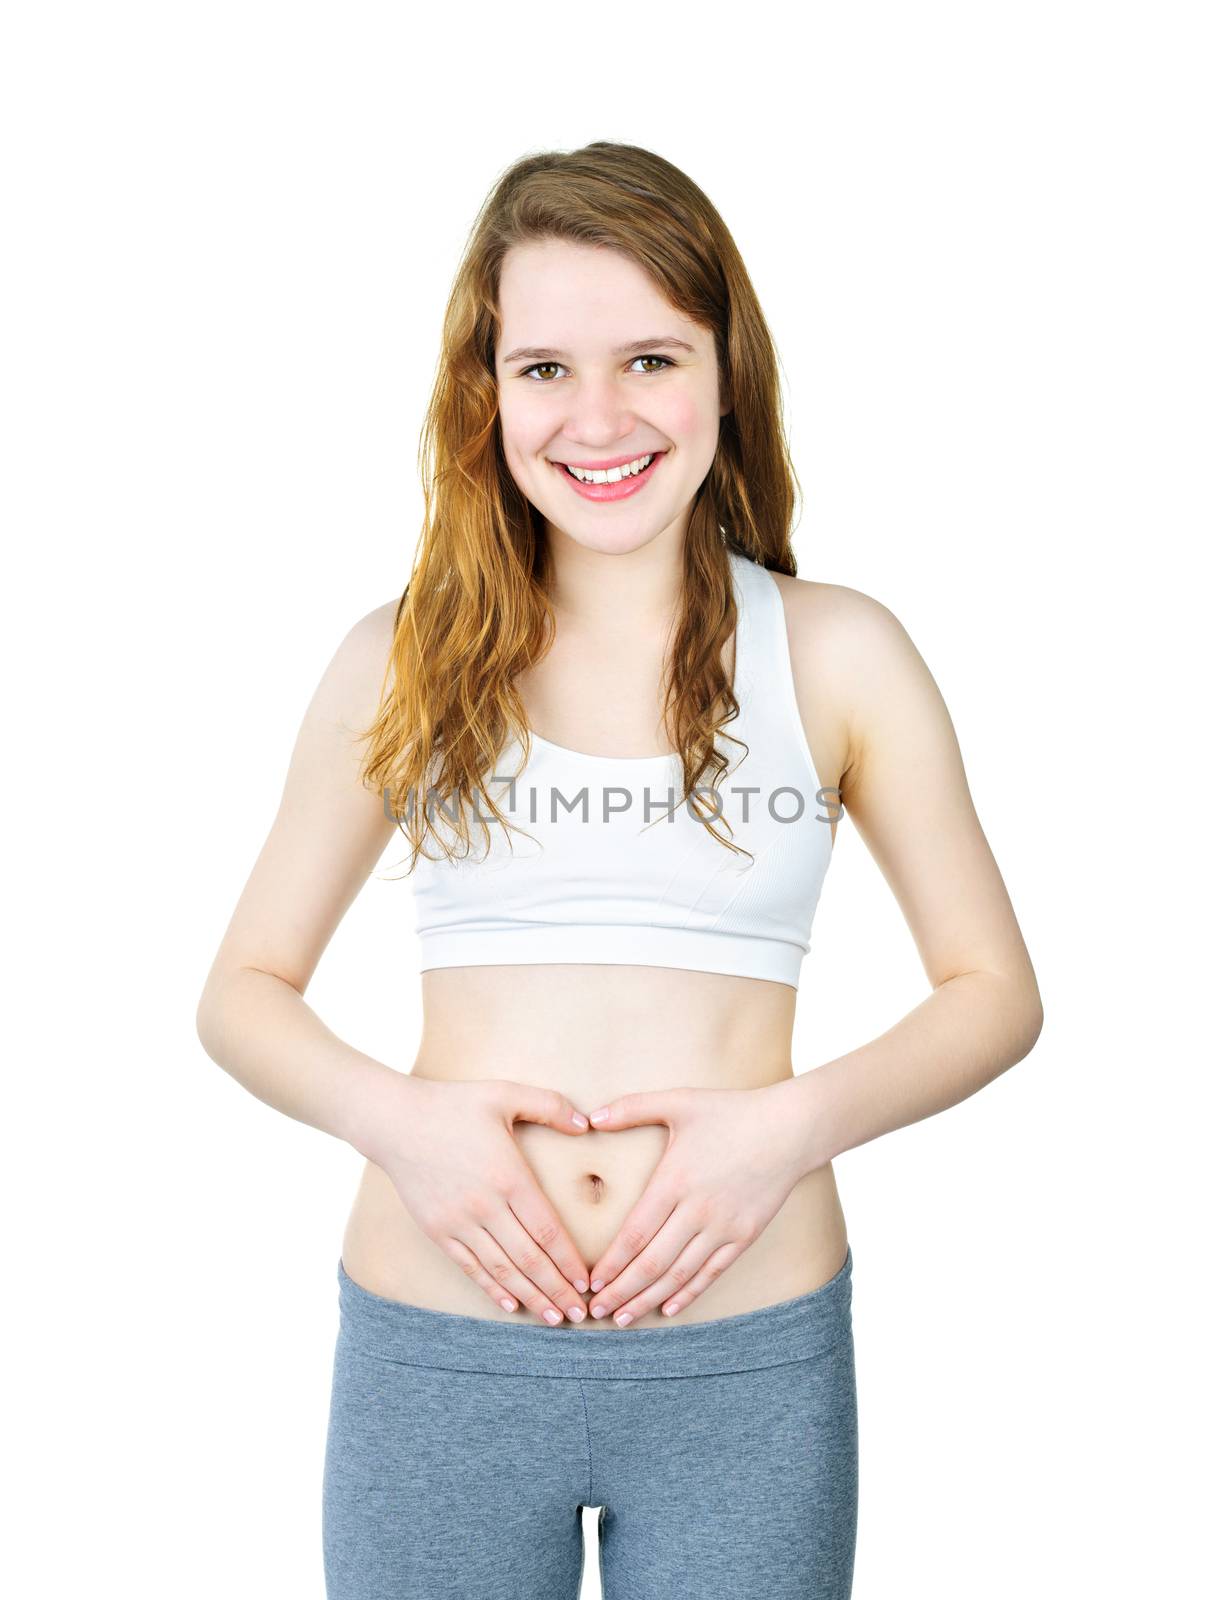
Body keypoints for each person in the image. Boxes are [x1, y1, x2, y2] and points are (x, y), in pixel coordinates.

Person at [196, 141, 1043, 1600]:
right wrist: (404, 1129)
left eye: (651, 357)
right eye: (543, 370)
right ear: (487, 394)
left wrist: (780, 1135)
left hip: (746, 1362)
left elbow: (994, 993)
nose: (599, 417)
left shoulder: (839, 654)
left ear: (727, 372)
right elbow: (242, 993)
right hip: (439, 1354)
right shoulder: (398, 662)